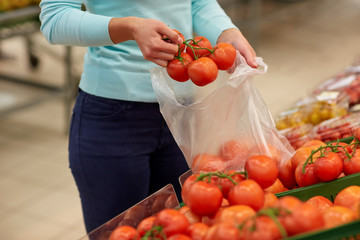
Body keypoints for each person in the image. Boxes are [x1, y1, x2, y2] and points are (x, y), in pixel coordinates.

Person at [39, 0, 257, 233]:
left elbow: (195, 2)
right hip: (114, 117)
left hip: (181, 115)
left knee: (182, 228)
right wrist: (129, 27)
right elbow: (55, 18)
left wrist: (225, 31)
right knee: (120, 232)